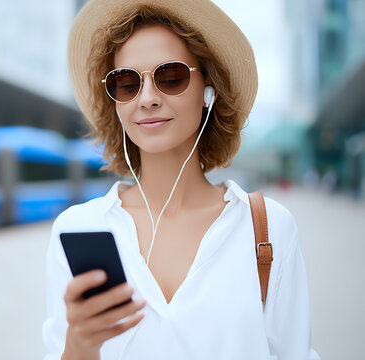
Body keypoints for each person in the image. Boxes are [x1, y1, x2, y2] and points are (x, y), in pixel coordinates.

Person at [43, 1, 320, 359]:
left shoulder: (268, 229)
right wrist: (79, 346)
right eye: (126, 83)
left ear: (210, 89)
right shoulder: (77, 228)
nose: (147, 99)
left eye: (170, 77)